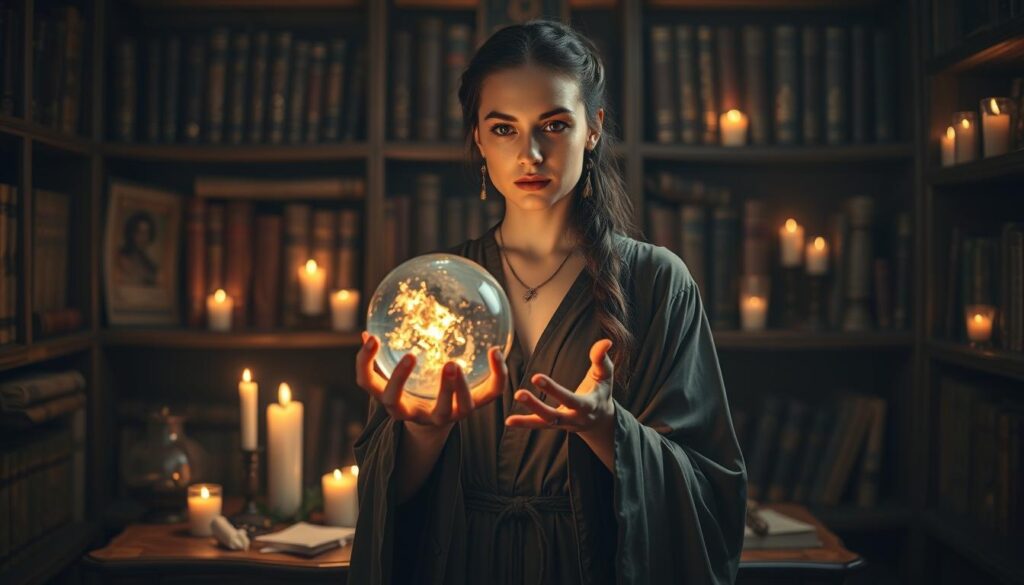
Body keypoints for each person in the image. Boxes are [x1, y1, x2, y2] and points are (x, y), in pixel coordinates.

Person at [351, 20, 746, 585]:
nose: (530, 153)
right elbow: (385, 501)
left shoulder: (657, 282)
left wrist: (607, 428)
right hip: (462, 563)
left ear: (593, 129)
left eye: (554, 125)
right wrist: (424, 431)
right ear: (479, 139)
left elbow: (712, 489)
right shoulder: (434, 293)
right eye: (504, 128)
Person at [116, 211, 159, 286]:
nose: (143, 238)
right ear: (131, 233)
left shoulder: (150, 265)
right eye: (139, 232)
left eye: (146, 233)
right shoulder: (120, 257)